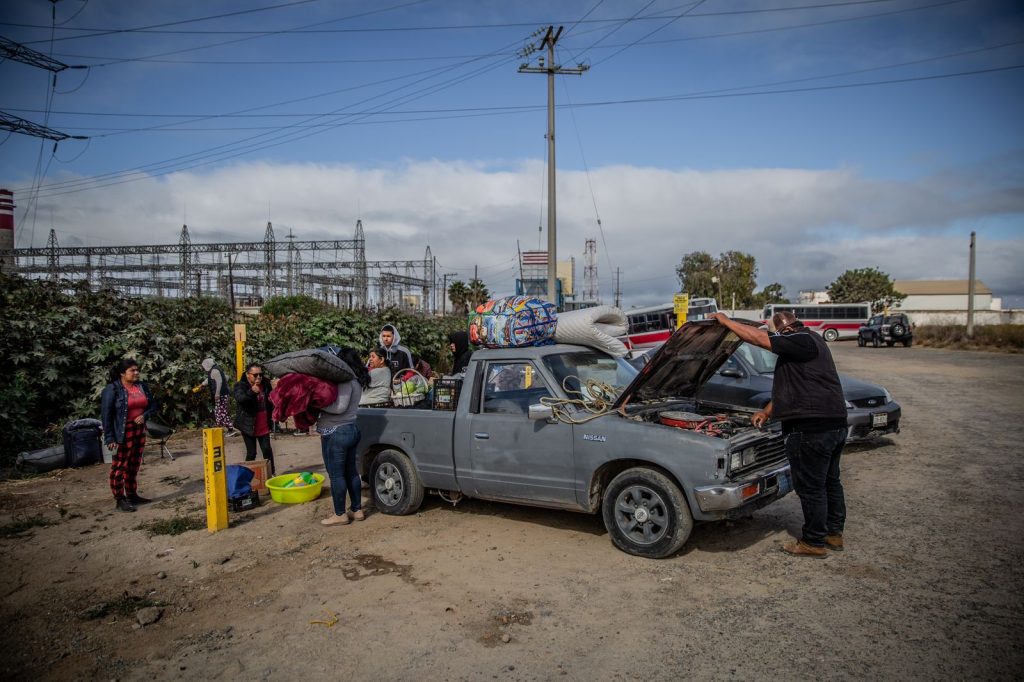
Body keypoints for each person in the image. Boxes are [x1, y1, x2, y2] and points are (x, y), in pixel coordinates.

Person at [710, 310, 848, 558]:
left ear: (783, 330)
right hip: (833, 424)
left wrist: (726, 321)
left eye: (774, 333)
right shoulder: (809, 342)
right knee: (829, 481)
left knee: (811, 486)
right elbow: (797, 384)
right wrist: (767, 411)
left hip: (811, 428)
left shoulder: (802, 340)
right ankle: (833, 534)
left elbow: (759, 340)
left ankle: (813, 542)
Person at [317, 347, 370, 526]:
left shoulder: (345, 380)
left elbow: (339, 408)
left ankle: (340, 513)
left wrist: (318, 406)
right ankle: (357, 509)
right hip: (350, 429)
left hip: (336, 432)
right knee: (351, 472)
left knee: (336, 475)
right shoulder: (356, 380)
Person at [100, 358, 157, 512]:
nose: (136, 373)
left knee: (134, 464)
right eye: (132, 370)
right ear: (122, 373)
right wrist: (109, 437)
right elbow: (106, 415)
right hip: (122, 432)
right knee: (119, 466)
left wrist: (144, 416)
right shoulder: (112, 390)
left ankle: (132, 494)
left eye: (137, 370)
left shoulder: (141, 386)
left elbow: (152, 406)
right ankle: (120, 499)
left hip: (139, 430)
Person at [233, 363, 276, 475]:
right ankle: (246, 476)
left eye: (260, 375)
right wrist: (252, 392)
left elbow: (271, 399)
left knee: (267, 450)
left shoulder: (266, 384)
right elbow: (240, 399)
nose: (258, 377)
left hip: (263, 423)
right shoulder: (240, 385)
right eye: (255, 375)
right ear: (248, 375)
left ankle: (271, 474)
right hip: (248, 424)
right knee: (251, 453)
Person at [195, 358, 238, 436]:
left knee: (221, 412)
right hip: (221, 394)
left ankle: (230, 429)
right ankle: (222, 429)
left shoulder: (215, 370)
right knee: (219, 412)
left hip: (222, 394)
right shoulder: (214, 370)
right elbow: (209, 379)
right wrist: (202, 385)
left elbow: (219, 382)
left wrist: (217, 394)